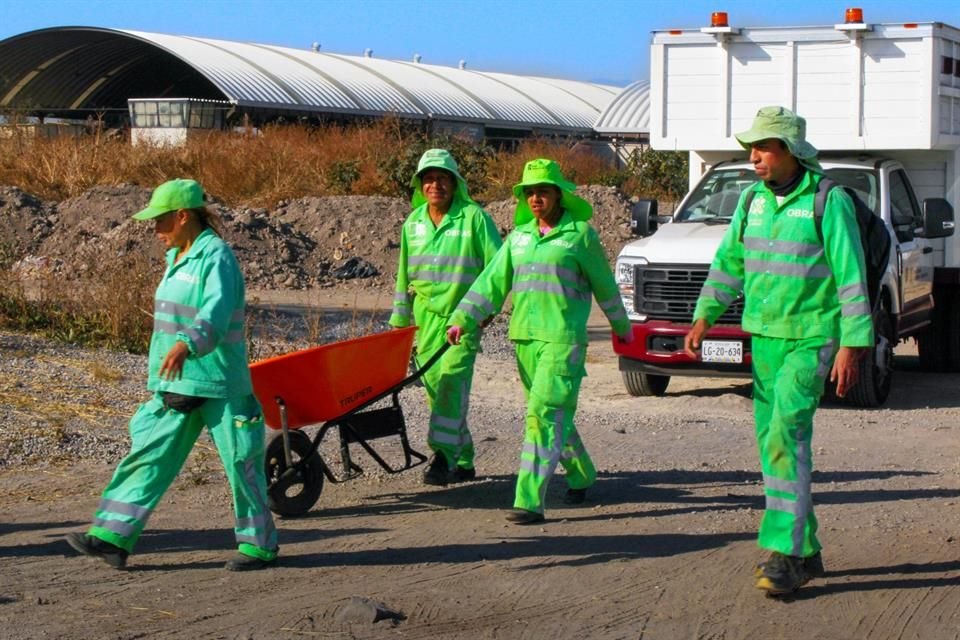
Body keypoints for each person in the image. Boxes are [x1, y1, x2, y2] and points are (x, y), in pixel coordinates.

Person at [683, 106, 873, 595]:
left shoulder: (827, 201)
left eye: (764, 147)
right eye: (753, 147)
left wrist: (854, 344)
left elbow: (852, 278)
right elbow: (730, 263)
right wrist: (705, 314)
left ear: (790, 151)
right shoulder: (751, 200)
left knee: (785, 433)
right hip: (764, 337)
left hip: (812, 337)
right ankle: (806, 551)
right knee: (775, 445)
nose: (754, 156)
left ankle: (784, 553)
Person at [64, 178, 278, 571]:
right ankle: (112, 536)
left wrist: (187, 344)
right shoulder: (178, 257)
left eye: (161, 221)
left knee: (242, 465)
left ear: (183, 216)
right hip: (178, 383)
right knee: (148, 456)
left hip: (219, 383)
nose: (155, 230)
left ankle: (258, 546)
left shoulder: (216, 258)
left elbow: (215, 311)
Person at [446, 158, 633, 524]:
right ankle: (581, 473)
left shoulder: (579, 235)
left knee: (542, 415)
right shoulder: (518, 238)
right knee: (552, 414)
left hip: (563, 341)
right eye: (530, 192)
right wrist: (461, 319)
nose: (535, 198)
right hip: (525, 341)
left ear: (558, 195)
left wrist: (621, 327)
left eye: (542, 191)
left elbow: (605, 286)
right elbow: (490, 283)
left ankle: (528, 500)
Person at [389, 149, 502, 485]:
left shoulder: (474, 219)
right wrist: (400, 324)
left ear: (455, 183)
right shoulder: (413, 224)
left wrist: (485, 310)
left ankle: (441, 456)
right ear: (420, 185)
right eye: (428, 178)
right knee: (436, 391)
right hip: (425, 323)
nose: (434, 184)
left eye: (441, 178)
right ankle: (464, 459)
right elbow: (402, 277)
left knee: (451, 385)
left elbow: (498, 269)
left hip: (462, 320)